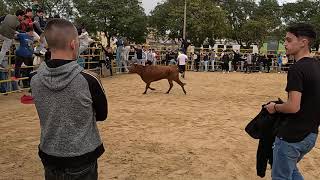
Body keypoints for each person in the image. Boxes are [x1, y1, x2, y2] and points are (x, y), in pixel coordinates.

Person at [30, 18, 108, 180]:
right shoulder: (89, 79)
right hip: (82, 156)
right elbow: (102, 115)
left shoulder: (34, 79)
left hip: (49, 155)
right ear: (73, 44)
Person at [265, 23, 320, 180]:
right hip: (310, 135)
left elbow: (293, 106)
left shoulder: (297, 69)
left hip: (292, 136)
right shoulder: (318, 65)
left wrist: (274, 107)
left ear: (303, 42)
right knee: (291, 172)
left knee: (281, 176)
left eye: (289, 40)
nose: (285, 44)